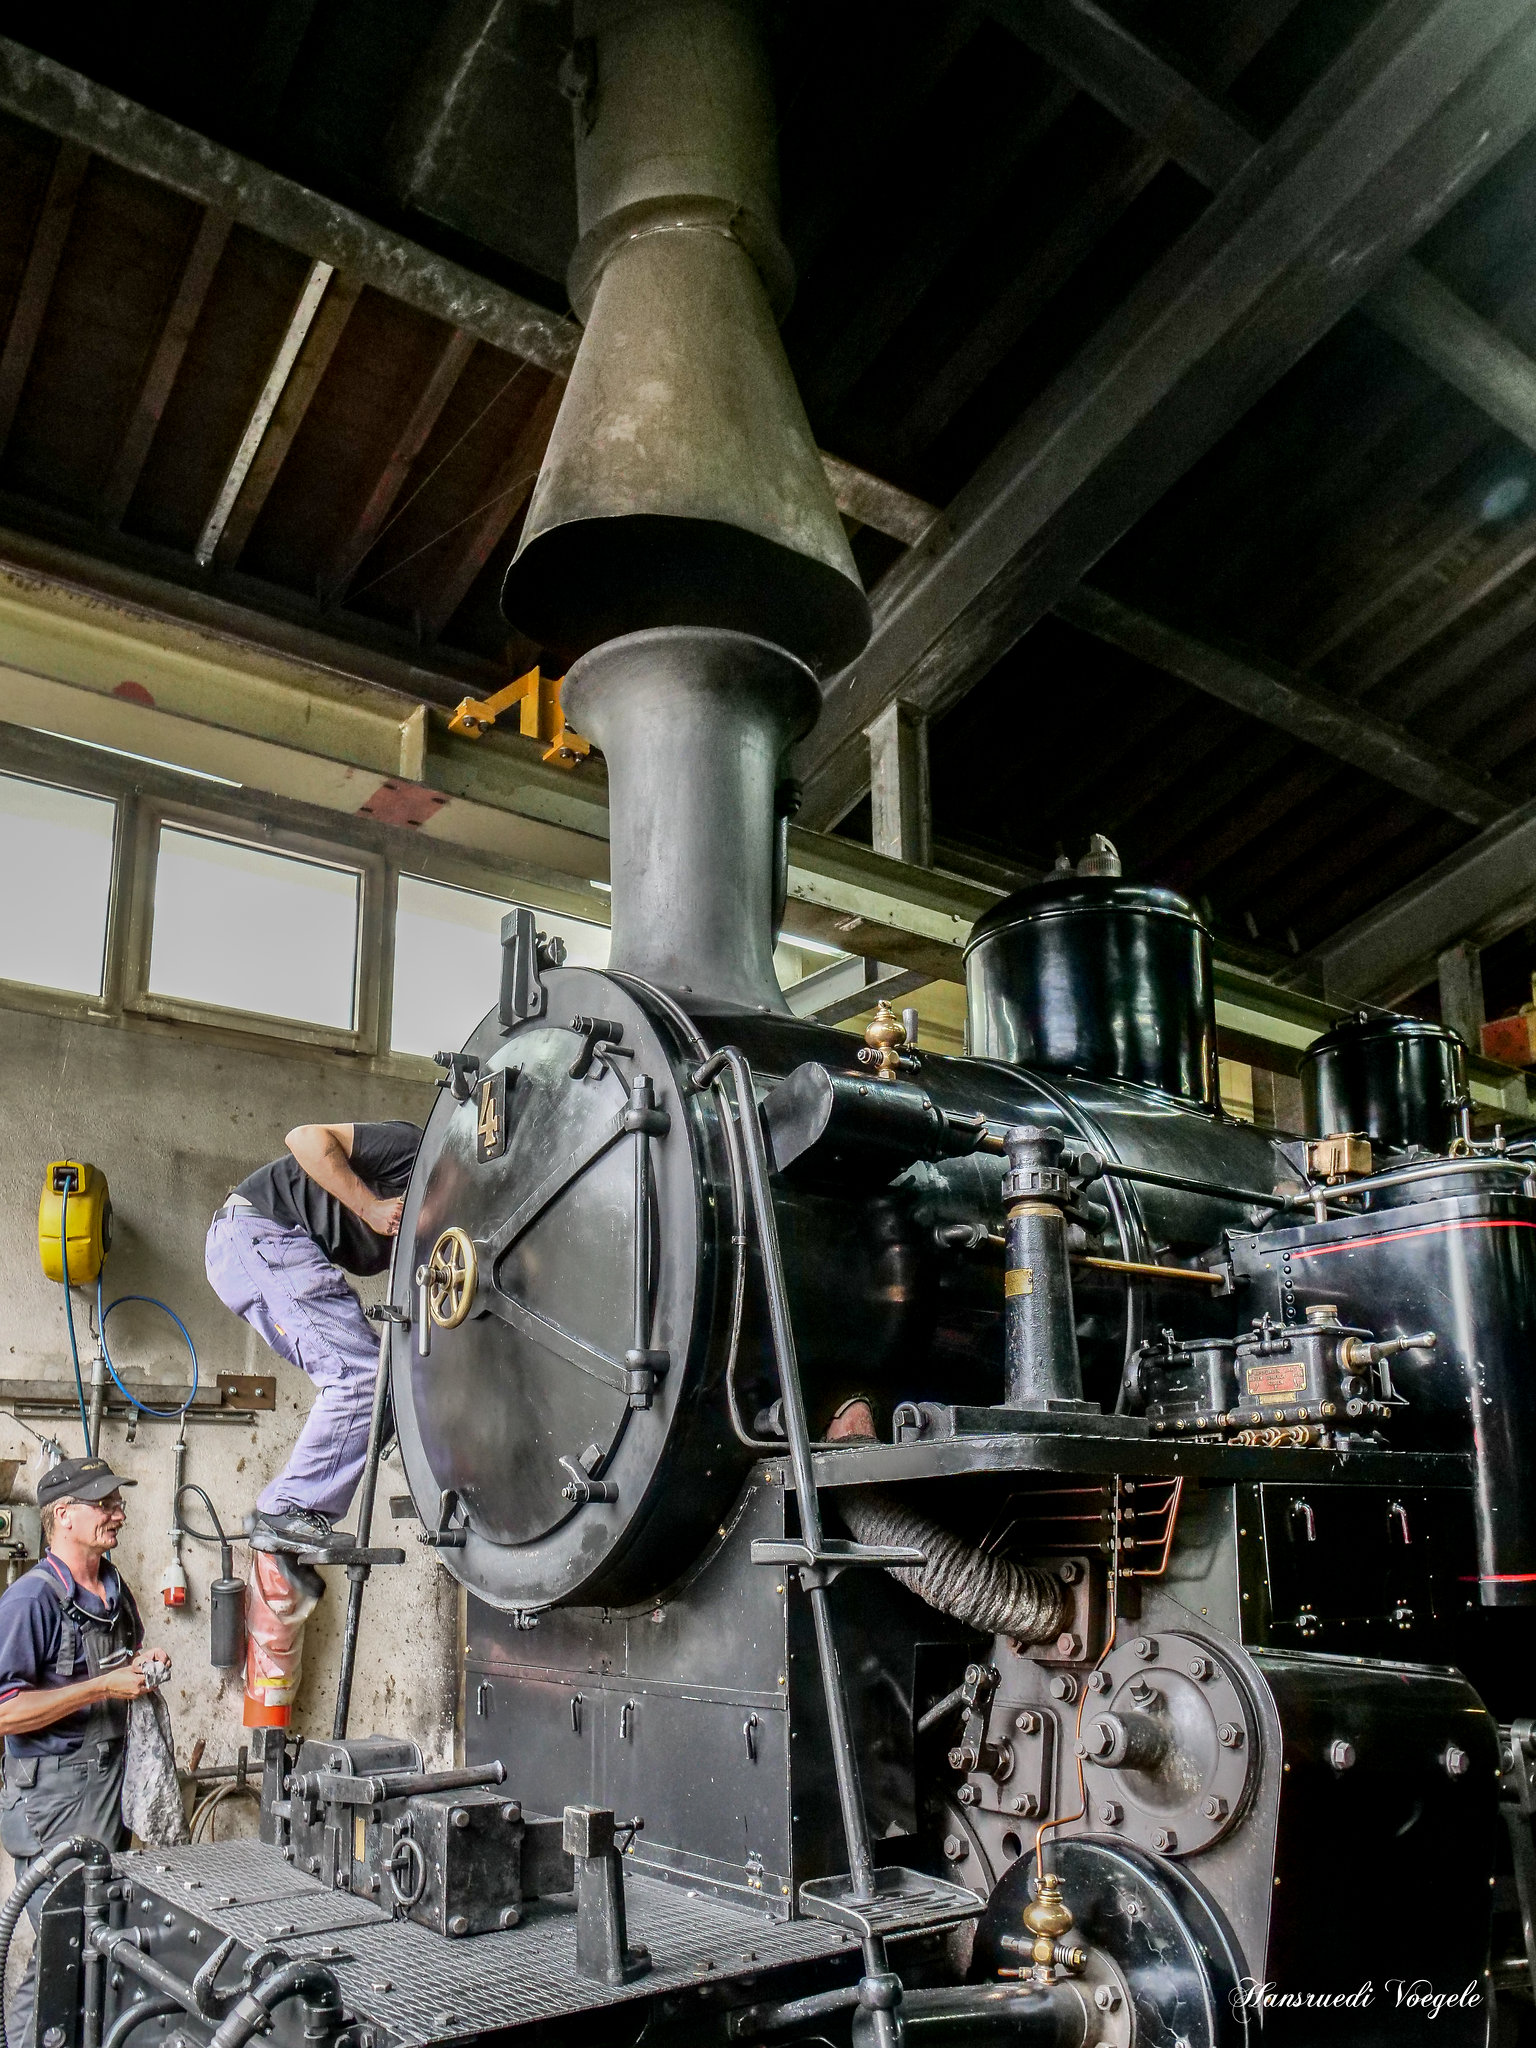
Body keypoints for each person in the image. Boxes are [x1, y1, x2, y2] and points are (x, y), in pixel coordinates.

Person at [0, 1457, 169, 2048]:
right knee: (59, 1965)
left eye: (117, 1502)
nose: (118, 1513)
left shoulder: (114, 1588)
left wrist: (144, 1666)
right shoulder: (30, 1601)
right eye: (104, 1504)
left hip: (104, 1800)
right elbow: (5, 1711)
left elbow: (126, 1659)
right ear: (62, 1516)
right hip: (50, 1810)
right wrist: (102, 1687)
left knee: (101, 1960)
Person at [204, 1120, 421, 1550]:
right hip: (262, 1233)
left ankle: (284, 1504)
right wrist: (370, 1207)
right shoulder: (417, 1148)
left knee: (378, 1384)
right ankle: (287, 1510)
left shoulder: (452, 1219)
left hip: (258, 1247)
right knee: (361, 1377)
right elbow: (304, 1138)